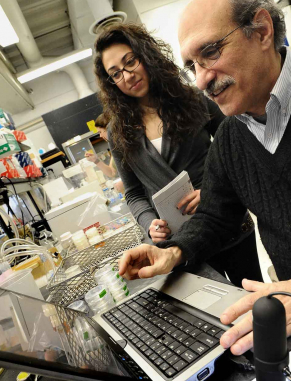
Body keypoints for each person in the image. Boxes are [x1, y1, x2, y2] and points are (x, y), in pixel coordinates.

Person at [118, 0, 291, 376]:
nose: (201, 79)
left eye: (210, 52)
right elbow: (215, 215)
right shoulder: (232, 139)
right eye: (192, 66)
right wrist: (175, 251)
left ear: (262, 31)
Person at [93, 22, 263, 287]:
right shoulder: (119, 132)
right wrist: (149, 223)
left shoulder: (193, 100)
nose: (126, 76)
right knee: (216, 315)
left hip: (228, 222)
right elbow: (134, 192)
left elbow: (239, 148)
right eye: (115, 73)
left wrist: (214, 190)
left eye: (130, 62)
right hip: (179, 240)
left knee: (257, 299)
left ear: (146, 55)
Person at [85, 113, 118, 179]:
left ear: (108, 129)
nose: (100, 136)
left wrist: (122, 183)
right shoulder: (114, 148)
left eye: (100, 132)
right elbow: (112, 172)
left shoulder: (126, 145)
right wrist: (95, 160)